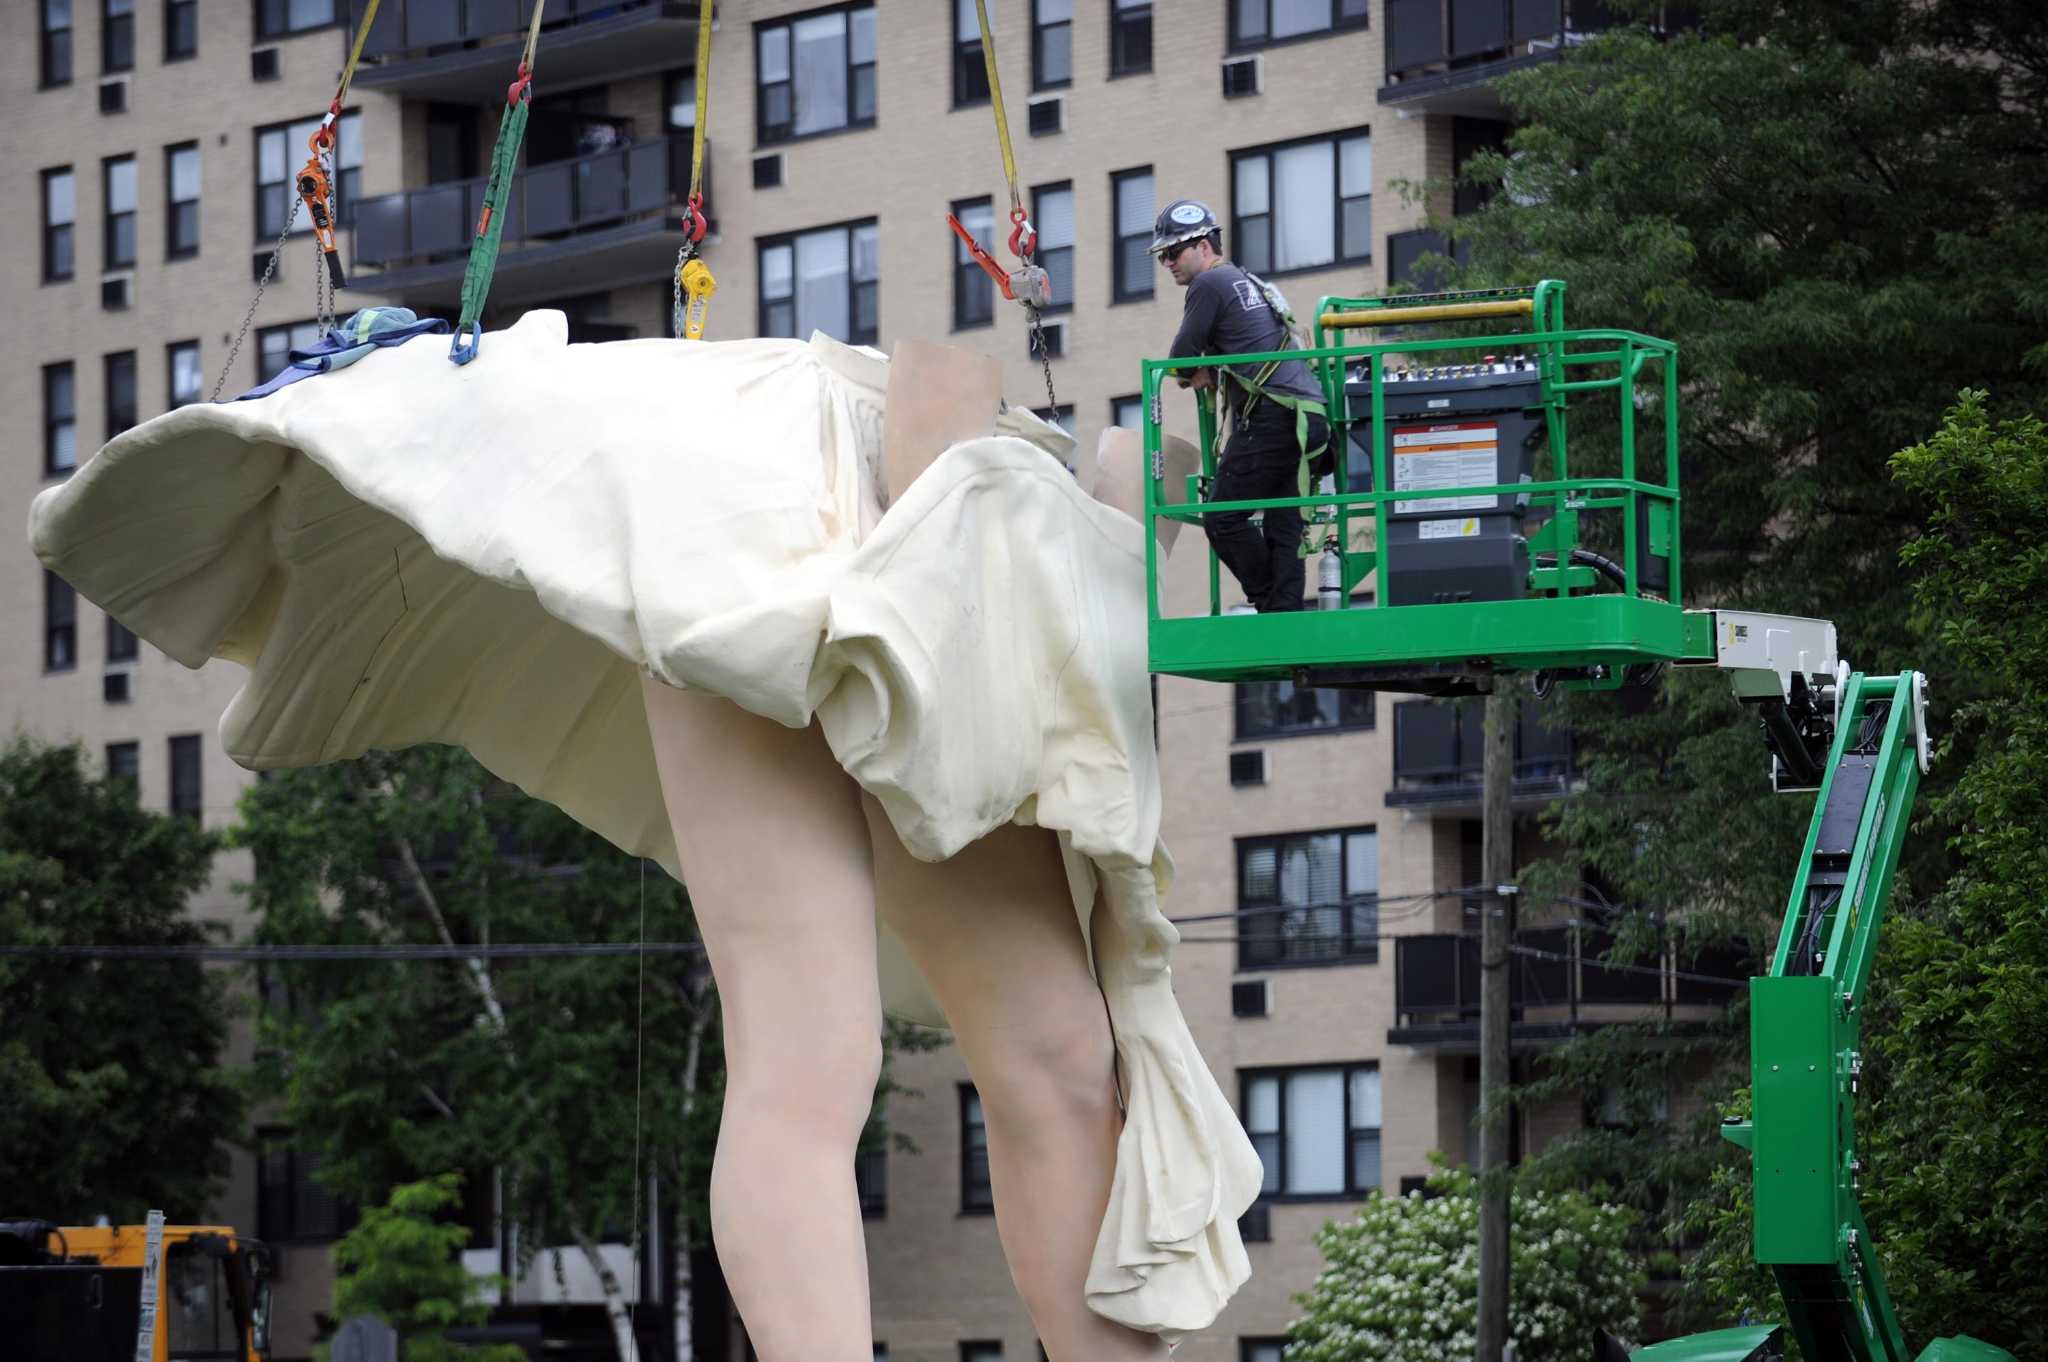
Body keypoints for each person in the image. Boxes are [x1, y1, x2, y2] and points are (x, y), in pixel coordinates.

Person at [29, 317, 1262, 1361]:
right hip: (744, 509)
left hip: (970, 520)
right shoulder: (736, 453)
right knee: (808, 1047)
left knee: (1058, 1055)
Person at [1154, 199, 1331, 612]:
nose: (1168, 262)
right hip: (1309, 416)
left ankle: (1270, 604)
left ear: (1203, 247)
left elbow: (1181, 357)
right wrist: (1215, 370)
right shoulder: (1245, 280)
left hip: (1274, 417)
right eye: (1163, 255)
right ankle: (1285, 616)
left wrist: (1191, 374)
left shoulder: (1208, 285)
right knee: (1283, 522)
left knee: (1223, 517)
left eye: (1174, 251)